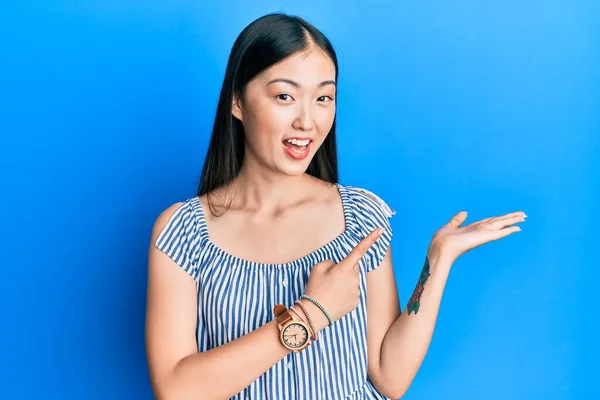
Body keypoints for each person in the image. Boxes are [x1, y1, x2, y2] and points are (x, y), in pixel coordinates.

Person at [144, 12, 526, 400]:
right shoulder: (184, 232)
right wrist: (312, 314)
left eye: (324, 98)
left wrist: (438, 260)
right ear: (238, 102)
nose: (307, 121)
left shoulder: (361, 216)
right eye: (284, 97)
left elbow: (389, 379)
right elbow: (176, 391)